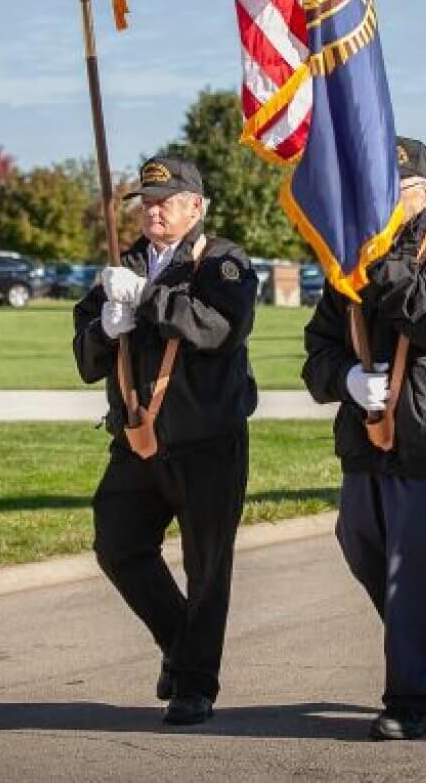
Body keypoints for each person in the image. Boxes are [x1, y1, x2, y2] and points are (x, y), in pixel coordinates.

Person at [302, 137, 426, 741]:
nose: (381, 203)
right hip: (367, 441)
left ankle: (414, 702)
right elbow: (318, 350)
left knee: (411, 572)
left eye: (395, 191)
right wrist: (347, 379)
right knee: (359, 545)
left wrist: (381, 265)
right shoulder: (352, 262)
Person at [73, 156, 258, 726]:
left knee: (207, 565)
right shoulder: (121, 263)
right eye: (146, 201)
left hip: (206, 441)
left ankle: (195, 685)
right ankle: (182, 644)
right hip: (138, 436)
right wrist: (104, 328)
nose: (153, 210)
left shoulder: (223, 261)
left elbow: (219, 328)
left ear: (195, 206)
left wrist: (148, 299)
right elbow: (84, 357)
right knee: (118, 544)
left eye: (166, 200)